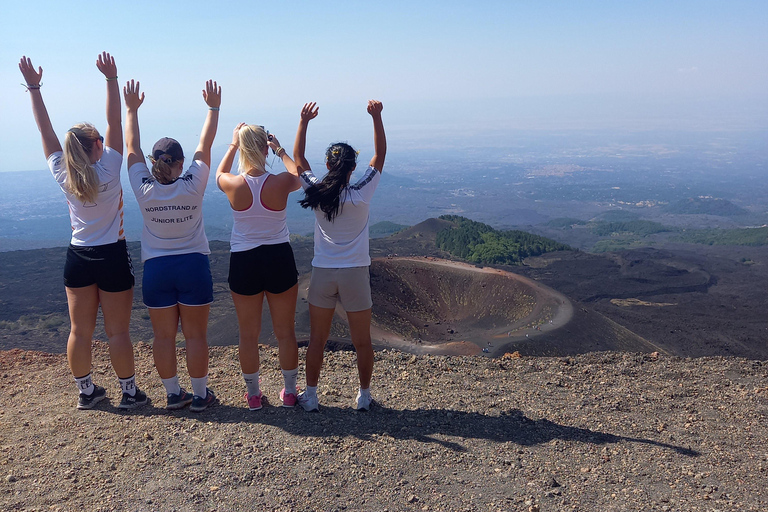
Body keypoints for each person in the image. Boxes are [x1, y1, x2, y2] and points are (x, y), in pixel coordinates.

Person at [18, 53, 147, 410]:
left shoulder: (64, 174)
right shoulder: (110, 168)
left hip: (77, 257)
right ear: (96, 147)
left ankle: (86, 392)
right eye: (100, 142)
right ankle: (129, 393)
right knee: (118, 331)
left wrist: (33, 87)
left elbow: (45, 131)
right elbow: (114, 121)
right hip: (112, 255)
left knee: (80, 330)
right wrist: (111, 80)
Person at [123, 79, 220, 412]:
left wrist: (132, 110)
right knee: (195, 336)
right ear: (180, 164)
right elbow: (205, 144)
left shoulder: (143, 188)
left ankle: (173, 394)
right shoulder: (193, 185)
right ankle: (201, 395)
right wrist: (213, 108)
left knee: (163, 337)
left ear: (154, 161)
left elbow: (131, 146)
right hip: (193, 265)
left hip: (157, 269)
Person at [294, 100, 386, 411]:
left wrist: (304, 121)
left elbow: (298, 159)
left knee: (317, 339)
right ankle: (363, 395)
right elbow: (380, 156)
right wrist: (377, 117)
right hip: (355, 273)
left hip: (323, 272)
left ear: (329, 165)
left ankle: (311, 395)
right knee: (362, 341)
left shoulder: (318, 192)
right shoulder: (361, 194)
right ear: (351, 168)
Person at [216, 123, 302, 410]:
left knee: (248, 334)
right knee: (285, 332)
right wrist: (280, 149)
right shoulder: (279, 182)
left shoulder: (233, 184)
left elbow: (218, 174)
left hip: (244, 260)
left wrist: (232, 145)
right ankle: (289, 392)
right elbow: (297, 175)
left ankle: (253, 395)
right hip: (278, 257)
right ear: (265, 149)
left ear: (242, 148)